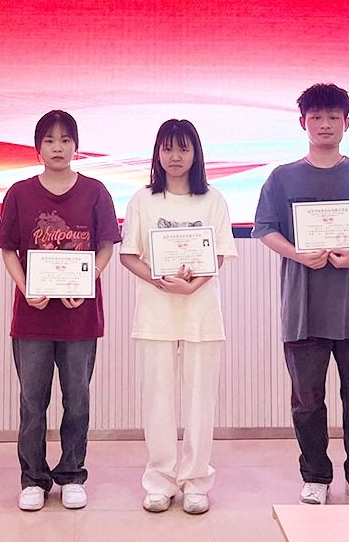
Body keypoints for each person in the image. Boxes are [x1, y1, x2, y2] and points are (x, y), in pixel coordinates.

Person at [251, 83, 349, 506]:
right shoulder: (282, 177)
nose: (324, 125)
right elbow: (265, 228)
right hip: (303, 309)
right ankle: (315, 476)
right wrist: (297, 253)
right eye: (316, 117)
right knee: (307, 399)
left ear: (347, 123)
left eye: (333, 117)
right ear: (302, 123)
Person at [0, 110, 121, 512]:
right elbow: (8, 250)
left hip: (80, 317)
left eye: (65, 140)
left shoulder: (95, 191)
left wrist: (88, 280)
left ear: (76, 146)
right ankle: (33, 478)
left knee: (77, 400)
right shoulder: (19, 193)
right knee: (32, 402)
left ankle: (72, 474)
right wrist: (25, 286)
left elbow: (106, 246)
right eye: (49, 140)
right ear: (38, 148)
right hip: (32, 317)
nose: (58, 147)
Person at [119, 119, 237, 515]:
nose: (175, 156)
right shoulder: (143, 199)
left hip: (201, 311)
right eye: (167, 148)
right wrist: (157, 279)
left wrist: (193, 285)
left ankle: (196, 481)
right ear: (157, 153)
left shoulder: (213, 199)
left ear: (195, 153)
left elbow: (219, 253)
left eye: (183, 148)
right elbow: (128, 255)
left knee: (201, 399)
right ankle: (160, 481)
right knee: (157, 399)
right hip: (156, 312)